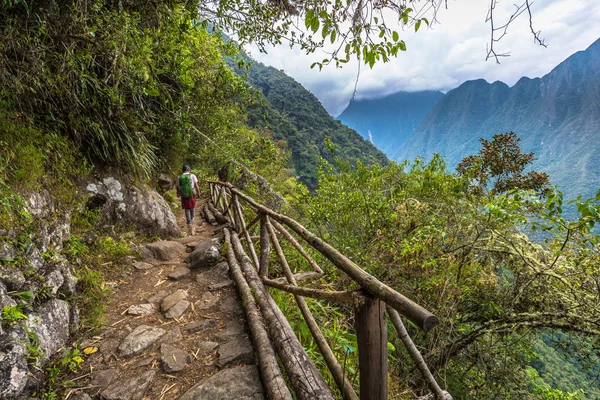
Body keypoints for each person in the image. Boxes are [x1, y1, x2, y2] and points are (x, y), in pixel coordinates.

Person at [177, 165, 200, 235]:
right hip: (192, 194)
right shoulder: (192, 175)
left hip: (184, 195)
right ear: (188, 169)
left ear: (183, 170)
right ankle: (192, 219)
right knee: (192, 206)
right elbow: (196, 185)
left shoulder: (179, 177)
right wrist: (199, 192)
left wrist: (178, 193)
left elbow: (178, 187)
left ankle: (189, 222)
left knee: (186, 208)